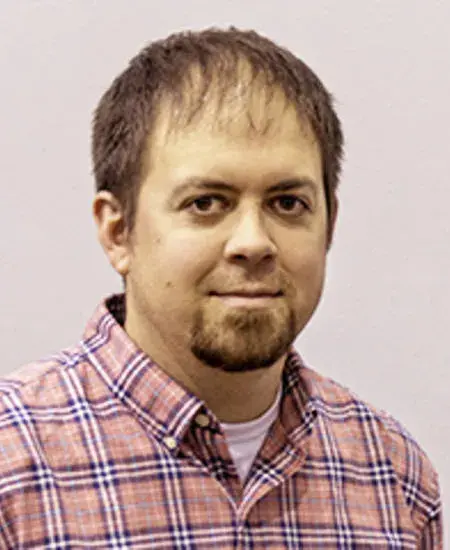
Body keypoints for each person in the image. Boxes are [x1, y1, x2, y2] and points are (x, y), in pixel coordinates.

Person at [0, 27, 442, 549]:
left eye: (287, 203)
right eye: (206, 203)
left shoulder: (393, 475)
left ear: (329, 226)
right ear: (118, 231)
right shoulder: (13, 469)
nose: (253, 242)